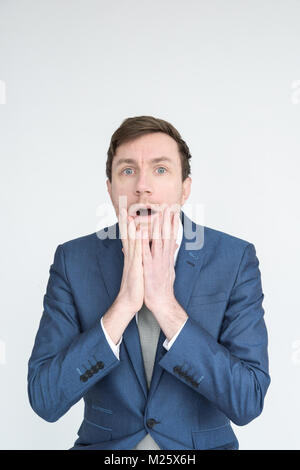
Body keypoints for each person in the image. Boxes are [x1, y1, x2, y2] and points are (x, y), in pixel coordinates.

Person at [27, 115, 270, 450]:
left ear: (185, 188)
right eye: (128, 170)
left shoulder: (234, 259)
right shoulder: (73, 261)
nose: (142, 185)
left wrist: (166, 307)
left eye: (160, 169)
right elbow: (45, 398)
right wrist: (123, 306)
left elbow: (248, 400)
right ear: (110, 189)